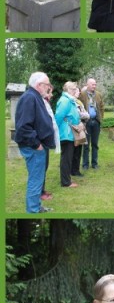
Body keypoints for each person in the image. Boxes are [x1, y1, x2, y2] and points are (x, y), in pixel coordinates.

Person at [14, 72, 57, 213]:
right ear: (39, 85)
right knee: (36, 179)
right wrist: (37, 144)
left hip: (37, 145)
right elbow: (23, 127)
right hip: (33, 147)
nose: (49, 87)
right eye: (47, 85)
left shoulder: (35, 96)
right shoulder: (29, 98)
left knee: (38, 179)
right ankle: (33, 210)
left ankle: (36, 206)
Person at [54, 81, 82, 190]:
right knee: (66, 158)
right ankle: (65, 182)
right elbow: (58, 117)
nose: (76, 91)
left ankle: (67, 179)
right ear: (69, 90)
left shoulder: (69, 100)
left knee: (68, 157)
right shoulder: (65, 101)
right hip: (66, 133)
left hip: (69, 132)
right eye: (74, 89)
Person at [79, 78, 104, 171]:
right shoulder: (82, 95)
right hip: (86, 122)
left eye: (95, 84)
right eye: (92, 84)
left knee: (95, 144)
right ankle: (85, 164)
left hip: (96, 122)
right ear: (87, 85)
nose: (94, 86)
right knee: (86, 144)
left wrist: (100, 118)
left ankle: (94, 163)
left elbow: (102, 107)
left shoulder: (98, 95)